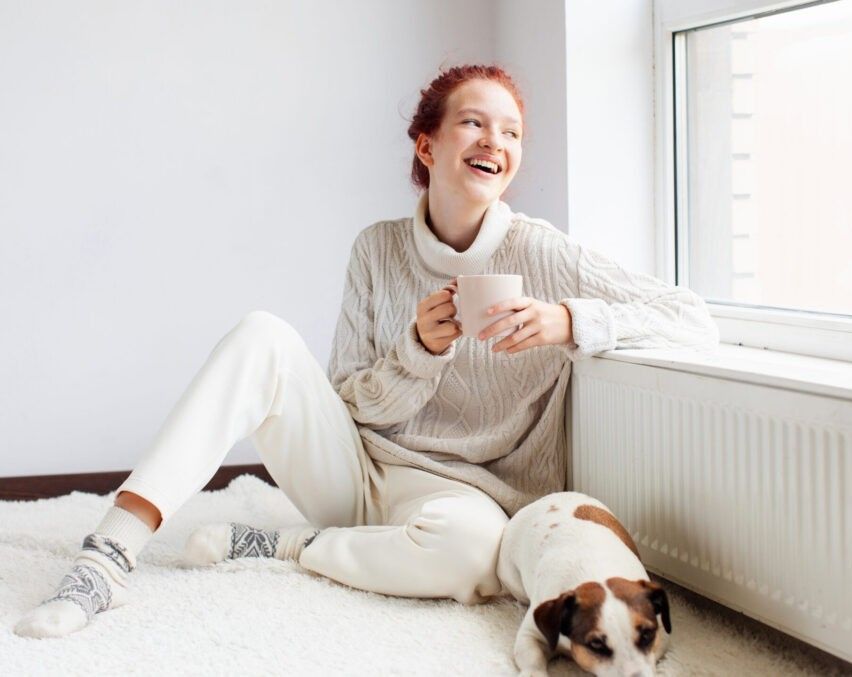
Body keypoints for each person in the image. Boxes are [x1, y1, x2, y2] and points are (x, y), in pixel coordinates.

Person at [15, 64, 719, 639]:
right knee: (262, 332)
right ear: (428, 146)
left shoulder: (541, 250)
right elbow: (346, 394)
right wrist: (418, 350)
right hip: (357, 468)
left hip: (472, 495)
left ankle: (286, 547)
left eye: (512, 131)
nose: (495, 141)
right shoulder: (377, 249)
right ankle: (105, 560)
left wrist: (569, 319)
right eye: (475, 121)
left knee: (475, 556)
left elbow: (690, 316)